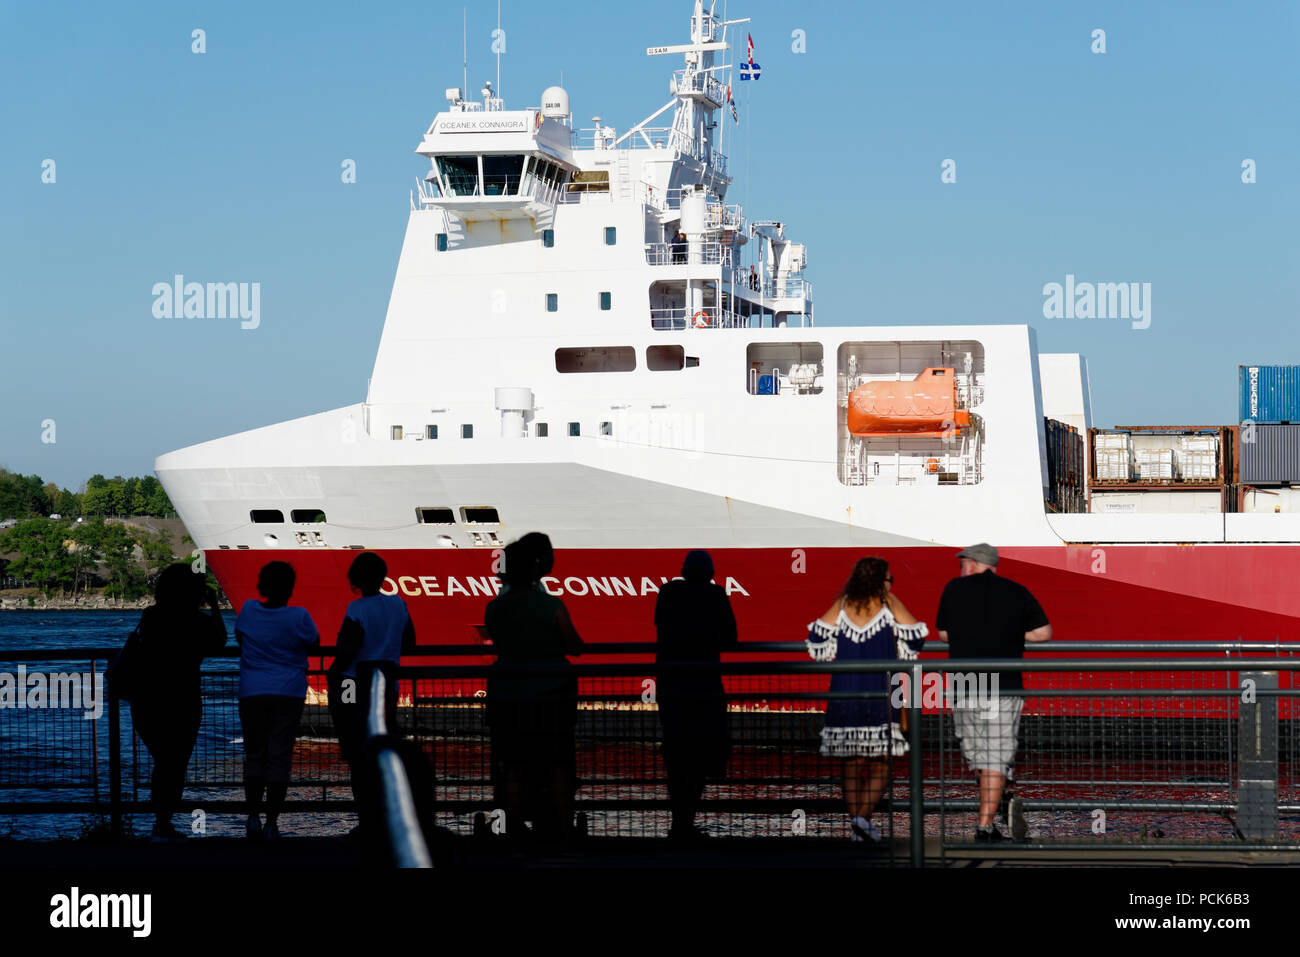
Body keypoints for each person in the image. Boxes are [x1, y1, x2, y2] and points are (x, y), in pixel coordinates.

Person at [935, 543, 1051, 843]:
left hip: (966, 685)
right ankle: (986, 824)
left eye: (964, 563)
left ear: (973, 564)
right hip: (1004, 686)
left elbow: (944, 635)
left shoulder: (952, 589)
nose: (961, 567)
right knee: (996, 757)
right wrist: (1011, 634)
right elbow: (1043, 633)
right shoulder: (1016, 591)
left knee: (977, 757)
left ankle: (990, 815)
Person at [806, 557, 927, 843]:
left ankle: (856, 825)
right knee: (880, 763)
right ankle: (862, 819)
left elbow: (817, 638)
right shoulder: (887, 603)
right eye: (889, 578)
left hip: (845, 692)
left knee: (850, 763)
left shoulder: (844, 603)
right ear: (880, 579)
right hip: (881, 693)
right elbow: (916, 637)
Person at [484, 532, 584, 845]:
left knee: (512, 766)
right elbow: (575, 646)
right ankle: (563, 833)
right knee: (557, 765)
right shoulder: (551, 605)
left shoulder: (494, 609)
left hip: (507, 694)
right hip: (552, 696)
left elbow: (498, 642)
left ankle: (512, 832)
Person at [129, 564, 229, 841]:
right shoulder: (197, 621)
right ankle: (163, 821)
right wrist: (215, 607)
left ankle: (160, 821)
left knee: (163, 761)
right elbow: (220, 642)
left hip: (147, 698)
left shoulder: (151, 616)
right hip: (183, 699)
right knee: (175, 763)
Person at [327, 552, 416, 837]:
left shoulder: (357, 608)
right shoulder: (398, 603)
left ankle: (367, 820)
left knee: (357, 754)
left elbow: (348, 650)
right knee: (382, 750)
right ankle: (387, 817)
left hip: (353, 685)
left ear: (355, 579)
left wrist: (331, 674)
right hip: (387, 685)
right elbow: (410, 642)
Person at [653, 550, 738, 841]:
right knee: (701, 753)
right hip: (704, 683)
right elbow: (731, 637)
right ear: (711, 573)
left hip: (670, 682)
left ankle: (679, 822)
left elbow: (660, 626)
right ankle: (686, 822)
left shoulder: (667, 592)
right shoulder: (715, 595)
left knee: (676, 752)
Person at [234, 561, 320, 841]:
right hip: (288, 691)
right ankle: (272, 822)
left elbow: (240, 637)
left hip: (252, 690)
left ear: (262, 585)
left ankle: (252, 819)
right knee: (279, 756)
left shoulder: (247, 610)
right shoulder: (300, 616)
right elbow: (314, 643)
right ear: (290, 587)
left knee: (254, 755)